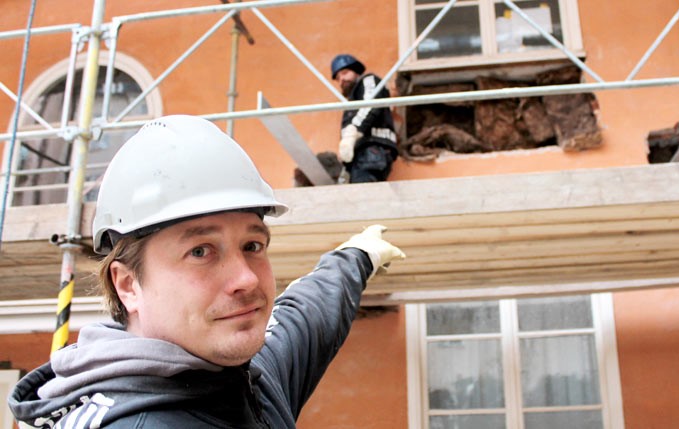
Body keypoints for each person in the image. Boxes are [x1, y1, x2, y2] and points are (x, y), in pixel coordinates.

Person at [8, 115, 405, 428]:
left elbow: (305, 316)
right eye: (200, 251)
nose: (247, 279)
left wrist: (356, 256)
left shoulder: (236, 375)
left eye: (252, 246)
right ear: (128, 285)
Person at [331, 54, 398, 183]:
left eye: (345, 73)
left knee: (364, 189)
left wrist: (352, 132)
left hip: (370, 149)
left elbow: (370, 105)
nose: (341, 79)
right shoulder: (354, 99)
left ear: (356, 71)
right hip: (366, 153)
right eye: (338, 78)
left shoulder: (368, 80)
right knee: (365, 190)